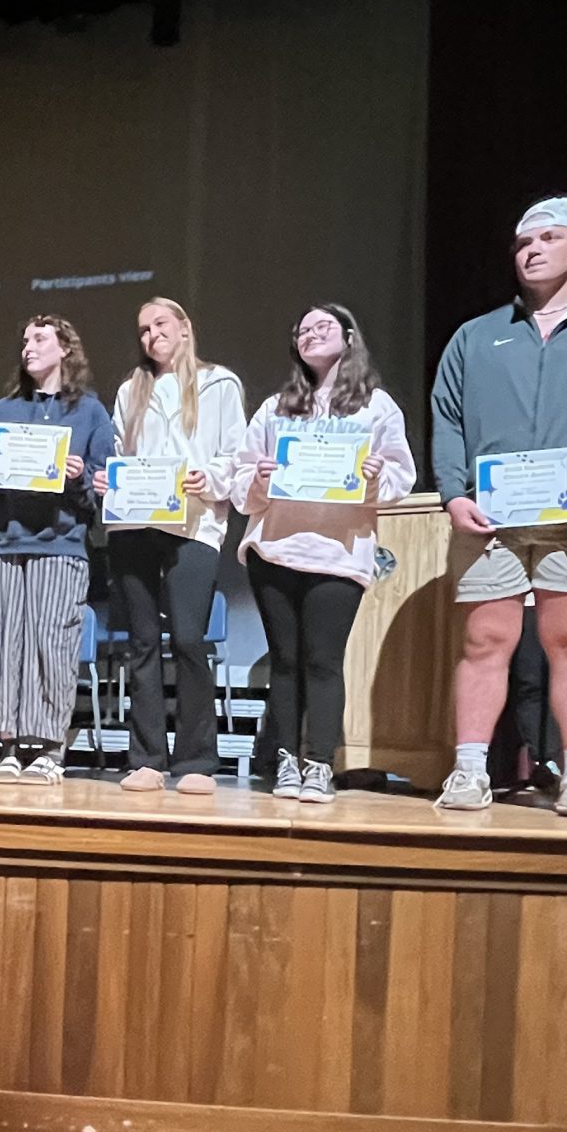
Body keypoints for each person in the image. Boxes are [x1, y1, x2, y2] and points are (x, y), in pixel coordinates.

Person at [429, 196, 567, 817]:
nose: (531, 250)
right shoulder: (476, 337)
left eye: (549, 238)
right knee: (485, 640)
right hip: (489, 519)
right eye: (524, 242)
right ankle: (470, 769)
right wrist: (453, 493)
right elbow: (446, 419)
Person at [231, 303, 416, 802]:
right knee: (286, 662)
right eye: (302, 330)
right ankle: (287, 762)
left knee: (323, 661)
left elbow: (402, 477)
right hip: (275, 550)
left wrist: (377, 478)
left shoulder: (377, 407)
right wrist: (261, 480)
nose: (310, 335)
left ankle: (319, 764)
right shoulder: (275, 407)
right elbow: (240, 483)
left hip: (338, 553)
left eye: (322, 327)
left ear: (350, 337)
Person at [94, 298, 247, 794]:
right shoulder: (129, 391)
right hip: (134, 524)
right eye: (142, 329)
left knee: (187, 639)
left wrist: (212, 477)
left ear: (184, 328)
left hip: (195, 524)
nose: (151, 335)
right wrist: (108, 483)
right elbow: (121, 453)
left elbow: (235, 453)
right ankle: (147, 760)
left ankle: (198, 760)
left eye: (160, 324)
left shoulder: (218, 383)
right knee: (140, 642)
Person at [0, 316, 116, 786]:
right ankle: (7, 744)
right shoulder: (3, 409)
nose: (28, 347)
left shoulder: (90, 412)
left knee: (53, 644)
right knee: (3, 644)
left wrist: (78, 480)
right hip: (2, 545)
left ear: (66, 349)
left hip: (62, 545)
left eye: (39, 339)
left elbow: (101, 495)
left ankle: (51, 747)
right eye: (25, 339)